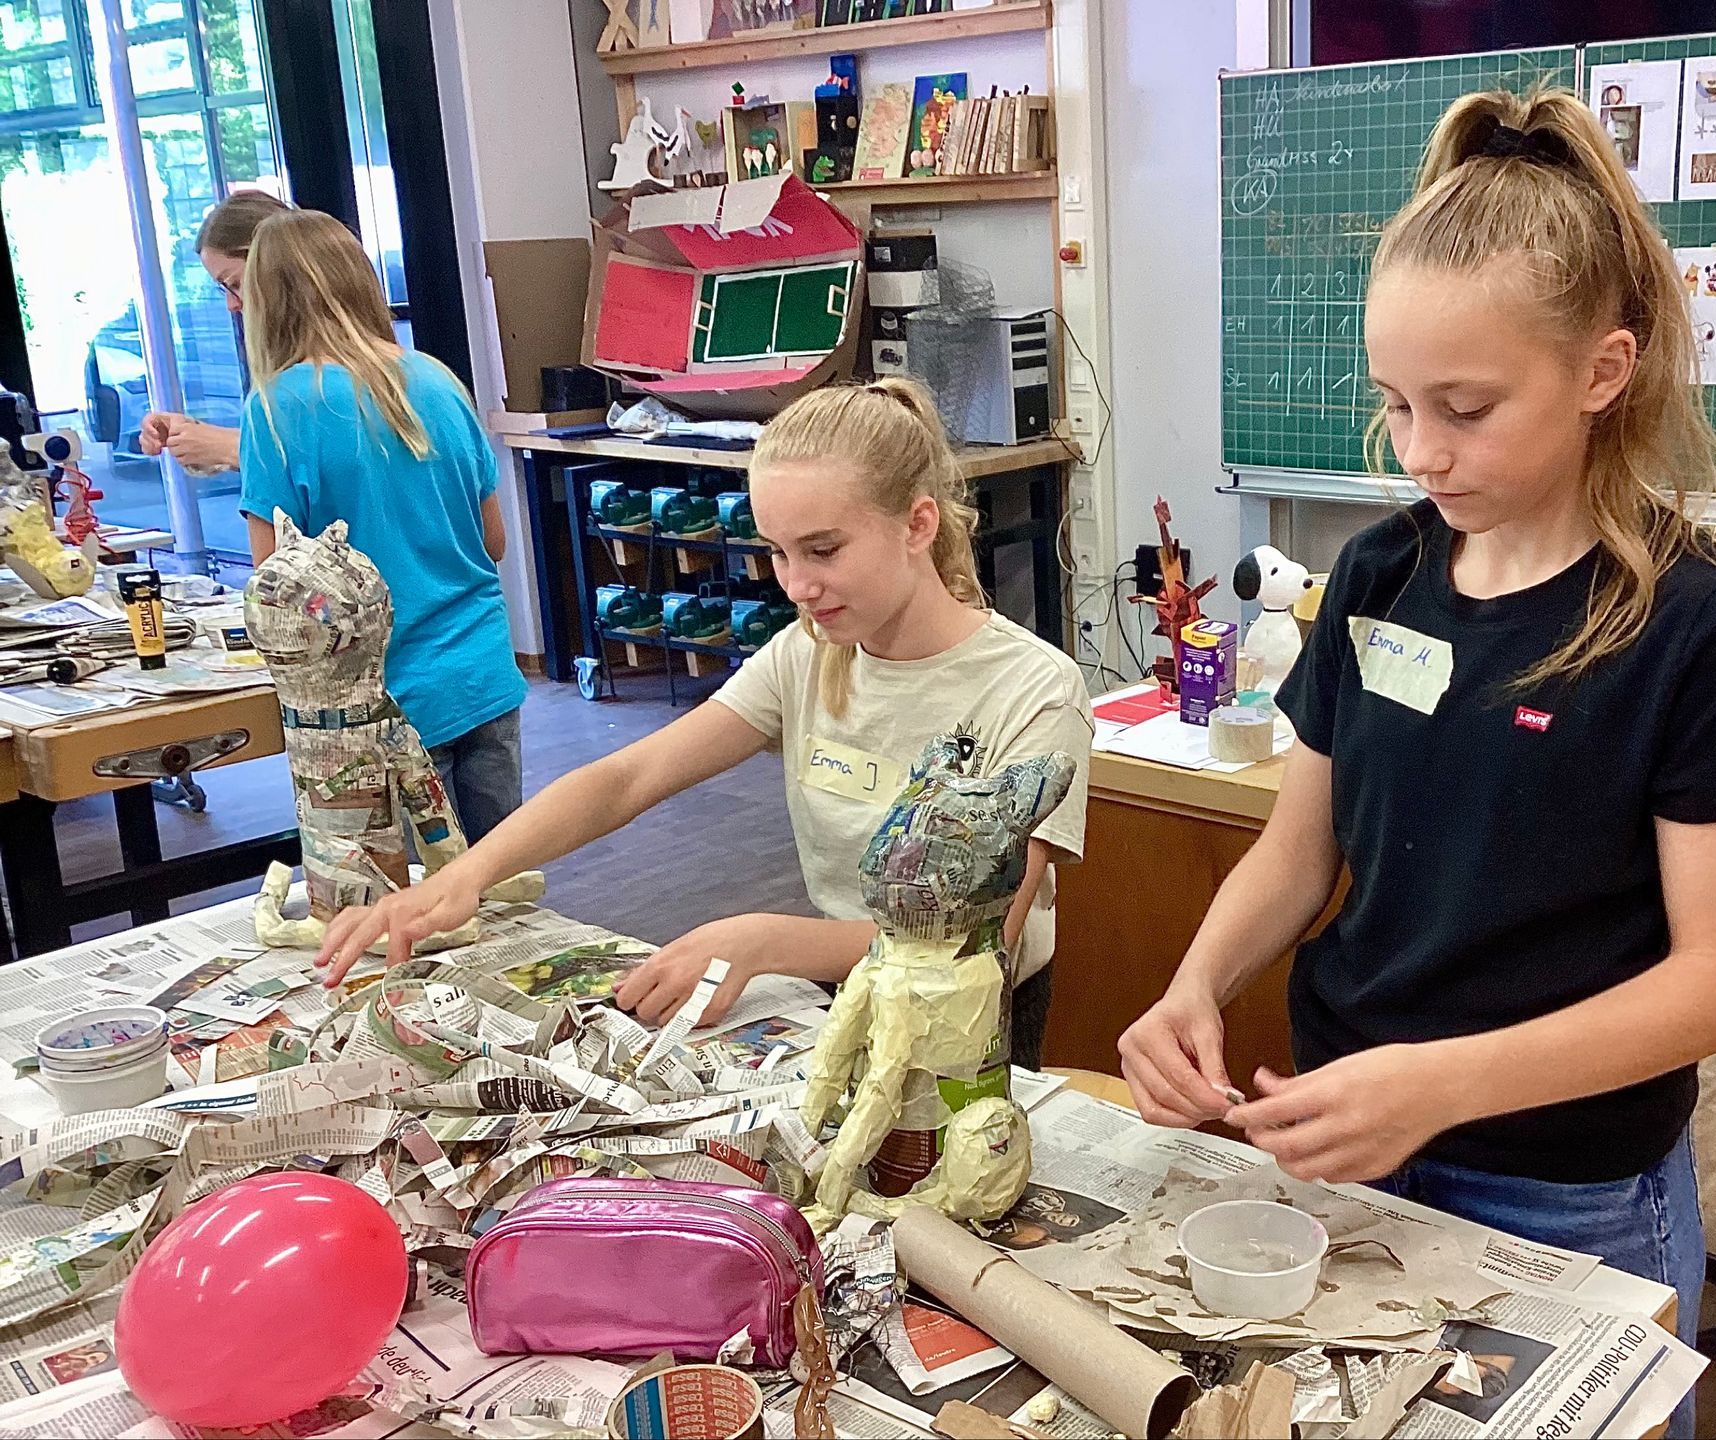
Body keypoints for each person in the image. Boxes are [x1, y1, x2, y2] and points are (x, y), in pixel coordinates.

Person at [1117, 88, 1716, 1439]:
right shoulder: (1379, 572)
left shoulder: (1708, 632)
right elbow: (1299, 848)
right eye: (1395, 404)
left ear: (1603, 373)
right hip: (1348, 1139)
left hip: (1562, 1183)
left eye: (1466, 407)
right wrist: (1195, 984)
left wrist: (1440, 1083)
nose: (1420, 451)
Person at [315, 378, 1092, 1071]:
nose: (797, 586)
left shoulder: (1032, 691)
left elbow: (977, 943)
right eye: (778, 553)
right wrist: (460, 879)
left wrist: (760, 942)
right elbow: (628, 777)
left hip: (969, 1018)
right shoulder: (809, 653)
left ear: (918, 525)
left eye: (823, 550)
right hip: (841, 982)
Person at [237, 208, 526, 841]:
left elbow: (277, 588)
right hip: (481, 674)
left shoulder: (274, 410)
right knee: (501, 878)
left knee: (409, 896)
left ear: (267, 303)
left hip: (378, 703)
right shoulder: (438, 380)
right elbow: (493, 542)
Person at [138, 189, 291, 475]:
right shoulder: (286, 362)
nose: (232, 305)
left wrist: (228, 447)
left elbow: (333, 468)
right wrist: (195, 439)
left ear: (277, 267)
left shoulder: (329, 369)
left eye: (236, 284)